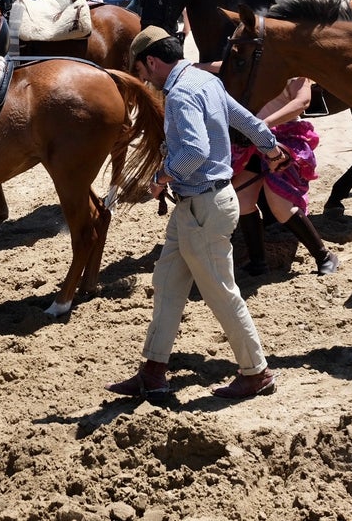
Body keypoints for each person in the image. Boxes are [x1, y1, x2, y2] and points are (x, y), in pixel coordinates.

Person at [106, 26, 285, 401]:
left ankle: (256, 371)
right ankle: (153, 371)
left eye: (141, 71)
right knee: (168, 282)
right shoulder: (205, 80)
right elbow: (247, 121)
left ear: (152, 61)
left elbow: (193, 152)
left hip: (203, 206)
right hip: (199, 206)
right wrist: (270, 148)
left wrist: (159, 176)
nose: (143, 79)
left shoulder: (181, 94)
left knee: (221, 292)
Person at [234, 77, 339, 277]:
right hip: (253, 142)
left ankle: (324, 256)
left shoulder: (295, 73)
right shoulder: (250, 64)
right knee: (241, 200)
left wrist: (263, 124)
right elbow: (223, 65)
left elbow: (302, 102)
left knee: (281, 207)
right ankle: (258, 261)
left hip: (283, 140)